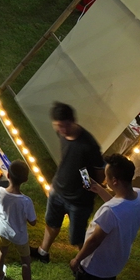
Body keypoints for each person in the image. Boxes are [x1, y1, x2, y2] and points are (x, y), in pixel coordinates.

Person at [69, 154, 140, 280]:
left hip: (94, 266)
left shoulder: (110, 211)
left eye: (106, 176)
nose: (105, 179)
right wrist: (99, 190)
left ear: (115, 181)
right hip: (114, 263)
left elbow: (94, 240)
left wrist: (77, 259)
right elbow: (121, 207)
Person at [36, 102, 105, 263]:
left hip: (79, 200)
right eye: (58, 126)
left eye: (65, 126)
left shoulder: (89, 145)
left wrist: (87, 186)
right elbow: (68, 158)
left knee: (77, 237)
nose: (62, 130)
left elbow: (99, 173)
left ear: (73, 120)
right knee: (51, 223)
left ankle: (83, 264)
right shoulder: (60, 133)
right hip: (58, 191)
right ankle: (42, 252)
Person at [0, 160, 44, 280]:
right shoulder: (26, 201)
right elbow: (33, 222)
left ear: (8, 175)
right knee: (25, 262)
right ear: (26, 180)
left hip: (3, 231)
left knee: (2, 250)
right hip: (20, 236)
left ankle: (0, 274)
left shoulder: (1, 193)